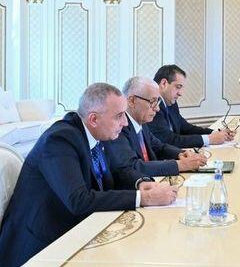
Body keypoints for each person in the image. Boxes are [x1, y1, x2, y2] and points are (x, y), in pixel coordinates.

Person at [0, 83, 178, 267]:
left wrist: (140, 183)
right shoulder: (60, 140)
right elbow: (78, 200)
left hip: (78, 230)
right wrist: (144, 198)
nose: (125, 122)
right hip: (41, 246)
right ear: (94, 119)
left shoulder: (98, 132)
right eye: (119, 116)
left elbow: (116, 172)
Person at [105, 77, 207, 183]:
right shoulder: (119, 127)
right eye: (152, 101)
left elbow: (159, 147)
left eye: (157, 102)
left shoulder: (141, 121)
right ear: (132, 101)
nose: (157, 108)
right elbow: (133, 166)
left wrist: (182, 154)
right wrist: (180, 165)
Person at [150, 65, 234, 148]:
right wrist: (209, 139)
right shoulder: (152, 107)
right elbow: (169, 140)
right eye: (178, 87)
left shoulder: (171, 102)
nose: (180, 93)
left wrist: (215, 133)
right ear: (164, 83)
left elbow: (186, 128)